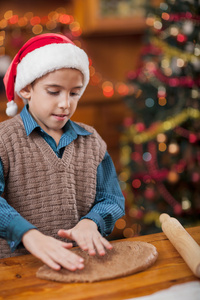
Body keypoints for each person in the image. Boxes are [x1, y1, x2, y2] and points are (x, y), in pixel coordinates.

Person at [0, 33, 125, 271]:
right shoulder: (3, 141)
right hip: (18, 269)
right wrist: (28, 235)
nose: (65, 103)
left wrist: (92, 222)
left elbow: (111, 198)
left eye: (74, 93)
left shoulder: (92, 141)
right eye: (54, 91)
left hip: (84, 264)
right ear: (26, 89)